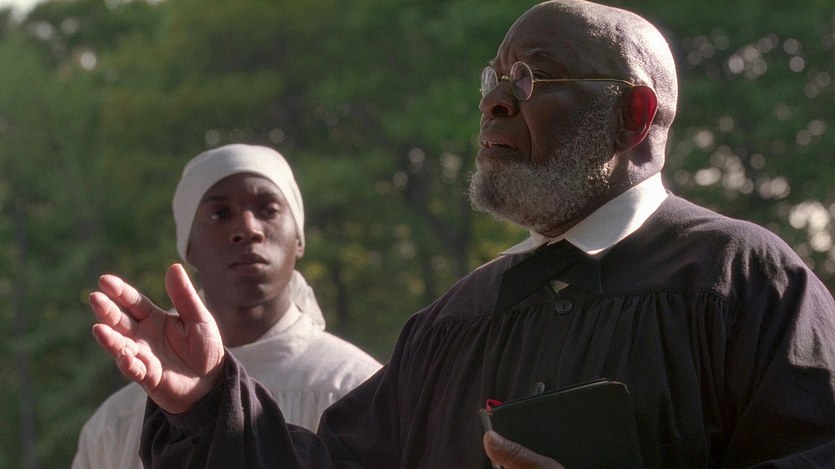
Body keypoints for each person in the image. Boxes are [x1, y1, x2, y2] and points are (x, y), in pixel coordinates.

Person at [88, 1, 835, 467]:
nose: (495, 103)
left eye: (531, 79)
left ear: (633, 115)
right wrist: (210, 404)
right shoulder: (453, 322)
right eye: (492, 80)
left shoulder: (741, 282)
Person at [72, 144, 381, 469]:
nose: (248, 229)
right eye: (220, 214)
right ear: (188, 246)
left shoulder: (362, 391)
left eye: (268, 210)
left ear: (299, 238)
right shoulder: (115, 426)